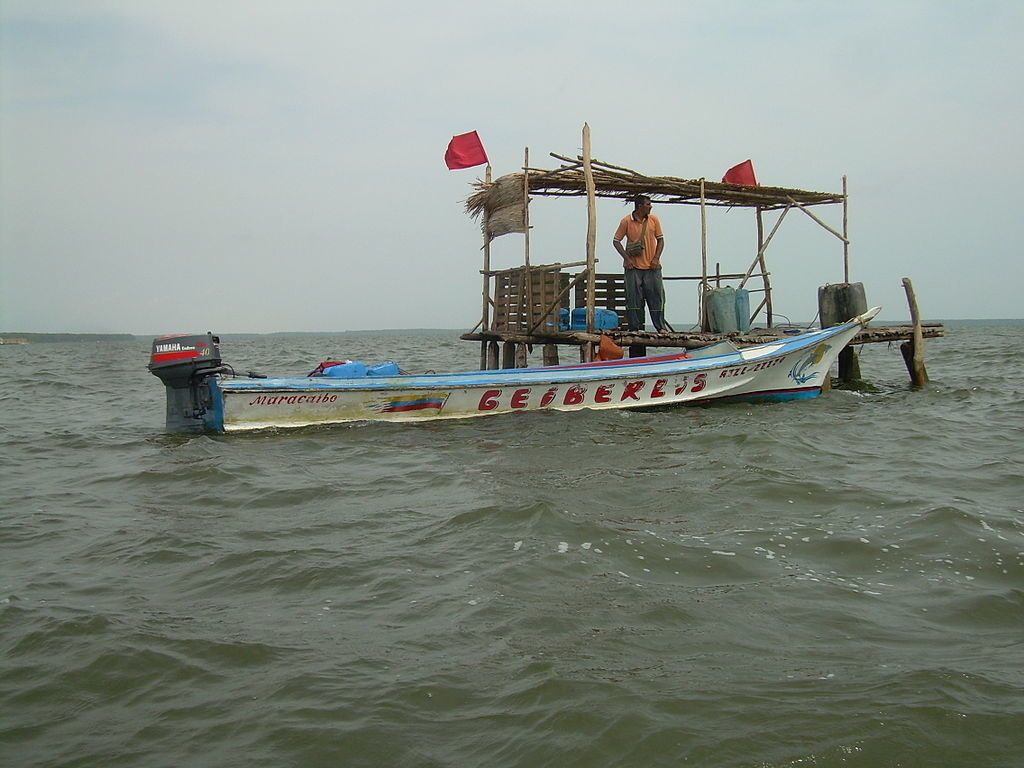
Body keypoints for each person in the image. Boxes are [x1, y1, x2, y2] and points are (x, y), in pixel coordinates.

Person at [612, 194, 666, 331]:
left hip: (652, 267)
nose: (651, 207)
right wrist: (627, 258)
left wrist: (656, 258)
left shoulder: (653, 220)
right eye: (648, 204)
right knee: (633, 299)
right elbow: (616, 241)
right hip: (633, 268)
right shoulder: (626, 221)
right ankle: (634, 328)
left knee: (656, 298)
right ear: (640, 206)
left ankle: (660, 327)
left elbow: (660, 240)